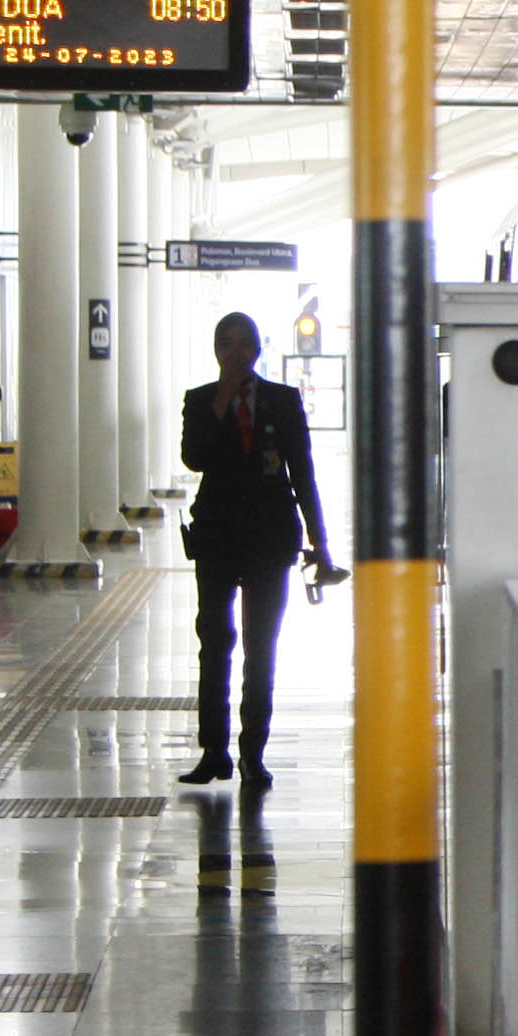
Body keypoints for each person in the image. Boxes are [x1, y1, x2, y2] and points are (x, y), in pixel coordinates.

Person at [180, 311, 332, 789]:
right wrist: (222, 402)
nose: (236, 352)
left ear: (257, 350)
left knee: (260, 646)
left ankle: (253, 753)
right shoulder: (201, 400)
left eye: (244, 343)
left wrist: (320, 544)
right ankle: (213, 752)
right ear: (215, 350)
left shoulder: (283, 402)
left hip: (270, 540)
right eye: (226, 343)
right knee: (215, 643)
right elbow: (194, 457)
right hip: (217, 539)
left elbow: (302, 473)